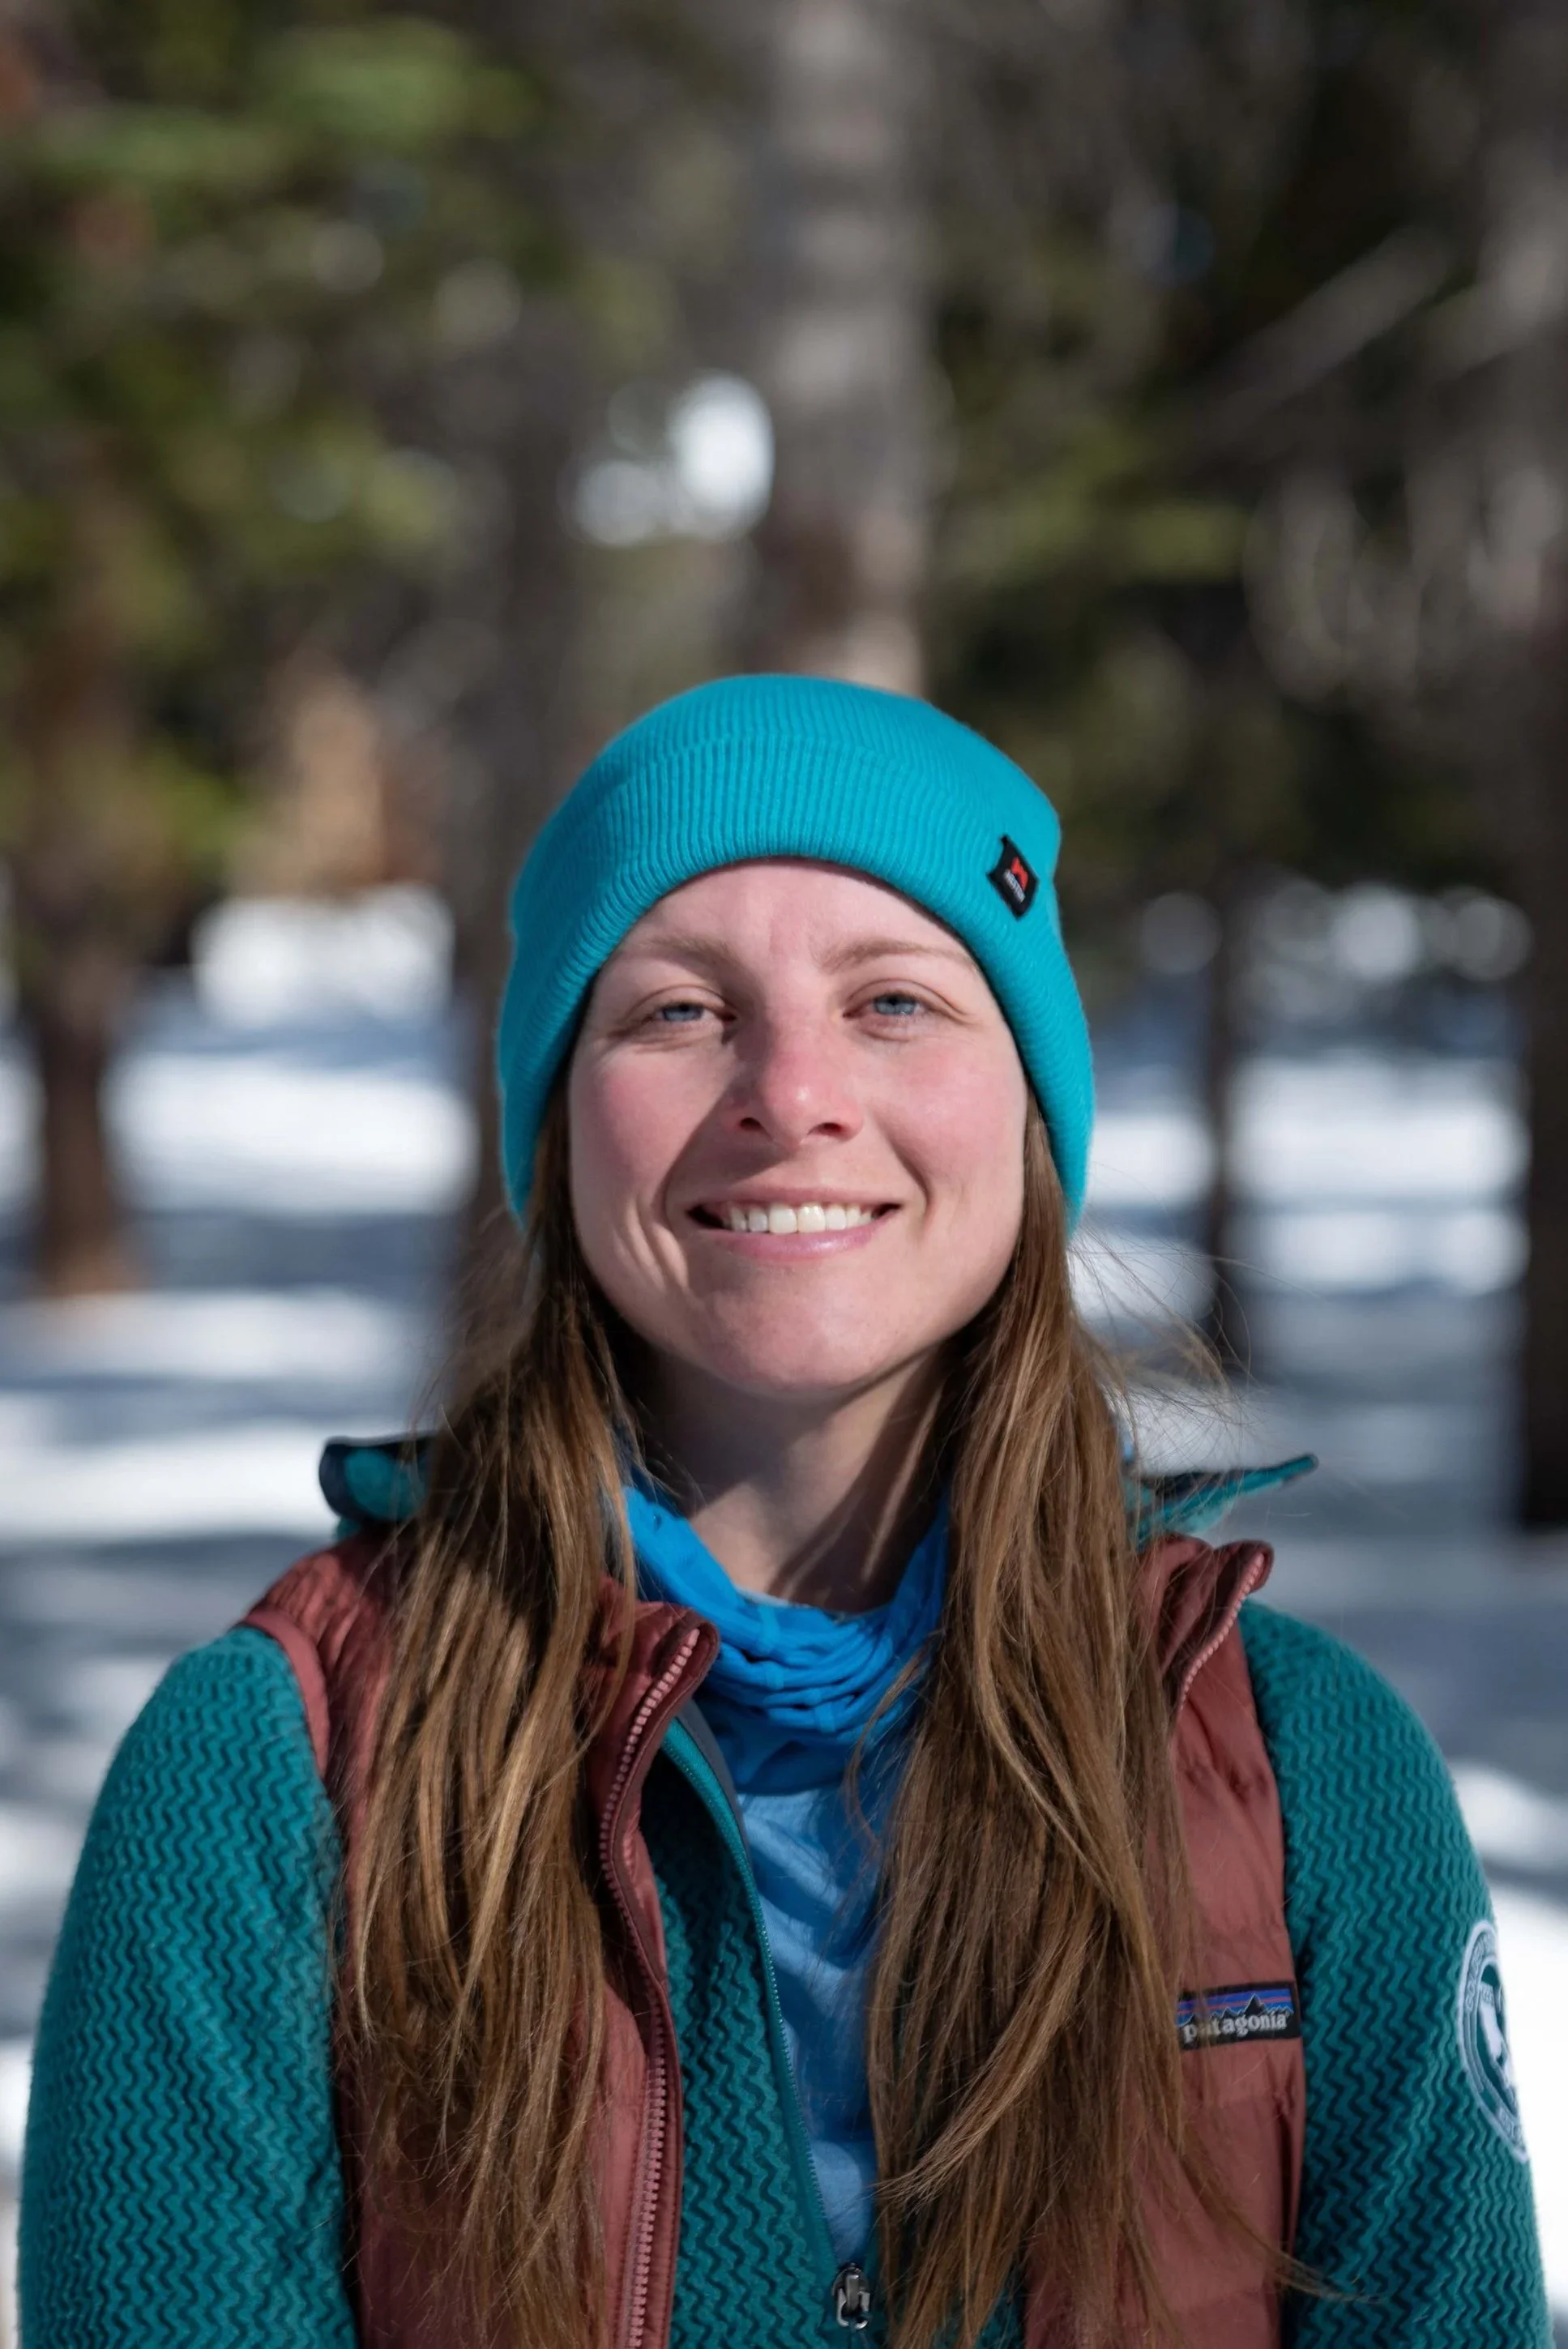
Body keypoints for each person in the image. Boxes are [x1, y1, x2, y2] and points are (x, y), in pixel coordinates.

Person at [19, 676, 1553, 2349]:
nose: (790, 1091)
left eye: (894, 1002)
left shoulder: (1303, 1773)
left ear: (1026, 1113)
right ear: (558, 1111)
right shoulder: (272, 1776)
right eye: (679, 1012)